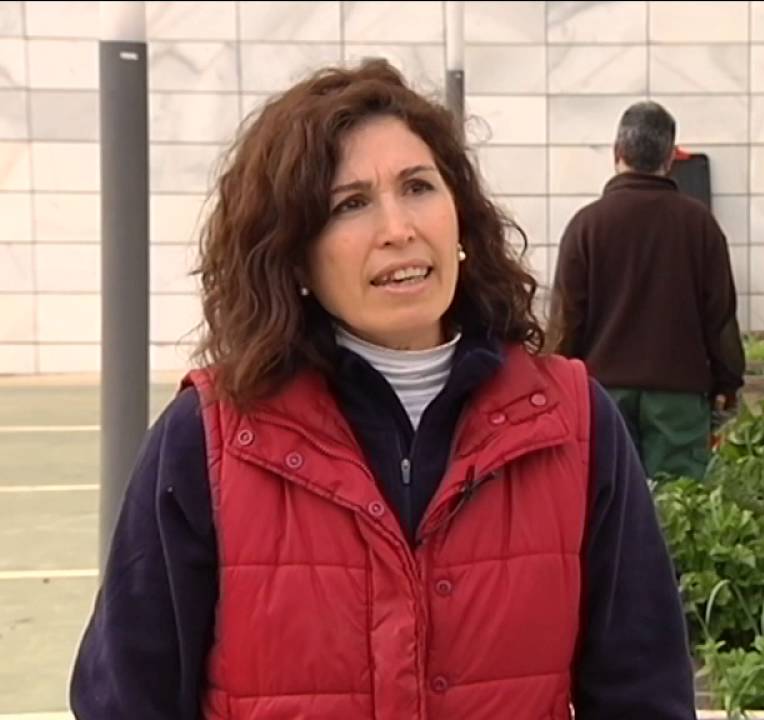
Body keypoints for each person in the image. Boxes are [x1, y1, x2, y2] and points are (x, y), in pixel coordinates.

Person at [69, 59, 696, 719]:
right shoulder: (209, 438)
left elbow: (643, 690)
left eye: (418, 186)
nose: (398, 228)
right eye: (351, 204)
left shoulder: (572, 421)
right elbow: (126, 699)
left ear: (460, 220)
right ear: (295, 256)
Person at [548, 101, 745, 481]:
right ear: (670, 159)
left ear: (617, 153)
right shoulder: (699, 224)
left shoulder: (586, 226)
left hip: (602, 396)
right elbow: (719, 314)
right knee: (676, 511)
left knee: (609, 506)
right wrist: (727, 383)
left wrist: (558, 385)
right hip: (679, 397)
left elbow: (566, 319)